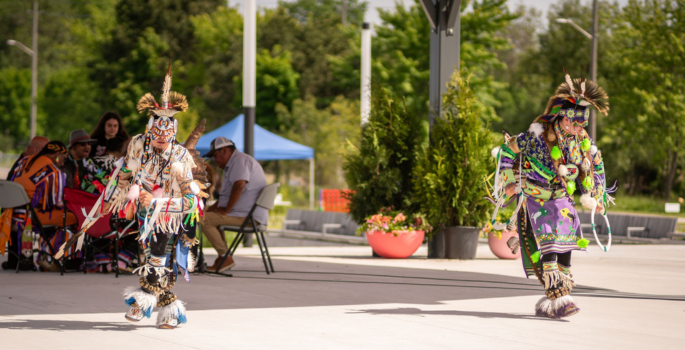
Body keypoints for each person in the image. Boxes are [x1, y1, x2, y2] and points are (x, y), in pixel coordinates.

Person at [55, 67, 209, 329]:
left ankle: (142, 302)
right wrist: (115, 196)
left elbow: (192, 202)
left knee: (158, 257)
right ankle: (170, 310)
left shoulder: (180, 159)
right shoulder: (139, 144)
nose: (160, 140)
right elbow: (125, 172)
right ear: (149, 130)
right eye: (156, 134)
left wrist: (160, 203)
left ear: (173, 133)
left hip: (169, 217)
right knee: (150, 257)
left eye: (166, 135)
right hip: (144, 213)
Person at [491, 69, 613, 318]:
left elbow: (596, 162)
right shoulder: (536, 138)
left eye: (583, 122)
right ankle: (560, 299)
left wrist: (597, 195)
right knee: (549, 247)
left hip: (561, 199)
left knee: (566, 245)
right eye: (574, 121)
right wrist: (509, 182)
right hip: (535, 200)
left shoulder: (582, 141)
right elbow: (506, 150)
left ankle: (555, 299)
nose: (578, 126)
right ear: (562, 117)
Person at [200, 136, 268, 272]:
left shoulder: (239, 161)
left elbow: (239, 186)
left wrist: (226, 210)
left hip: (248, 217)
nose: (214, 160)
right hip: (245, 214)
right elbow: (226, 198)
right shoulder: (236, 163)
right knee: (208, 216)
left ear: (224, 150)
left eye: (215, 156)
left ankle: (225, 257)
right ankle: (224, 257)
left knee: (203, 220)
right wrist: (210, 210)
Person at [11, 141, 78, 227]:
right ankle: (53, 240)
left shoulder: (24, 161)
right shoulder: (53, 171)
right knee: (75, 217)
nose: (62, 163)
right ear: (57, 154)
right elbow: (58, 204)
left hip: (11, 212)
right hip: (31, 216)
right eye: (64, 158)